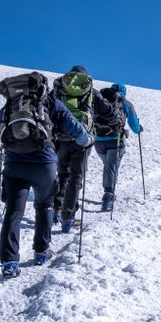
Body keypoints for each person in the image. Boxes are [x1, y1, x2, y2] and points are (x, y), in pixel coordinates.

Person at [0, 72, 92, 278]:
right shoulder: (49, 103)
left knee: (13, 211)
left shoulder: (14, 102)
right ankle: (41, 251)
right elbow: (73, 126)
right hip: (44, 162)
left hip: (14, 162)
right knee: (44, 205)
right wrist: (86, 140)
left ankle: (9, 261)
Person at [52, 65, 116, 232]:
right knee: (76, 177)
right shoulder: (90, 91)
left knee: (62, 173)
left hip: (60, 137)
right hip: (83, 139)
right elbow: (107, 111)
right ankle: (68, 217)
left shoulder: (60, 87)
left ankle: (56, 210)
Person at [93, 83, 143, 211]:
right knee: (111, 167)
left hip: (98, 140)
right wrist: (138, 129)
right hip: (116, 140)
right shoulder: (125, 103)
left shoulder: (100, 100)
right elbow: (133, 123)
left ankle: (107, 191)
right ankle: (108, 196)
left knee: (108, 166)